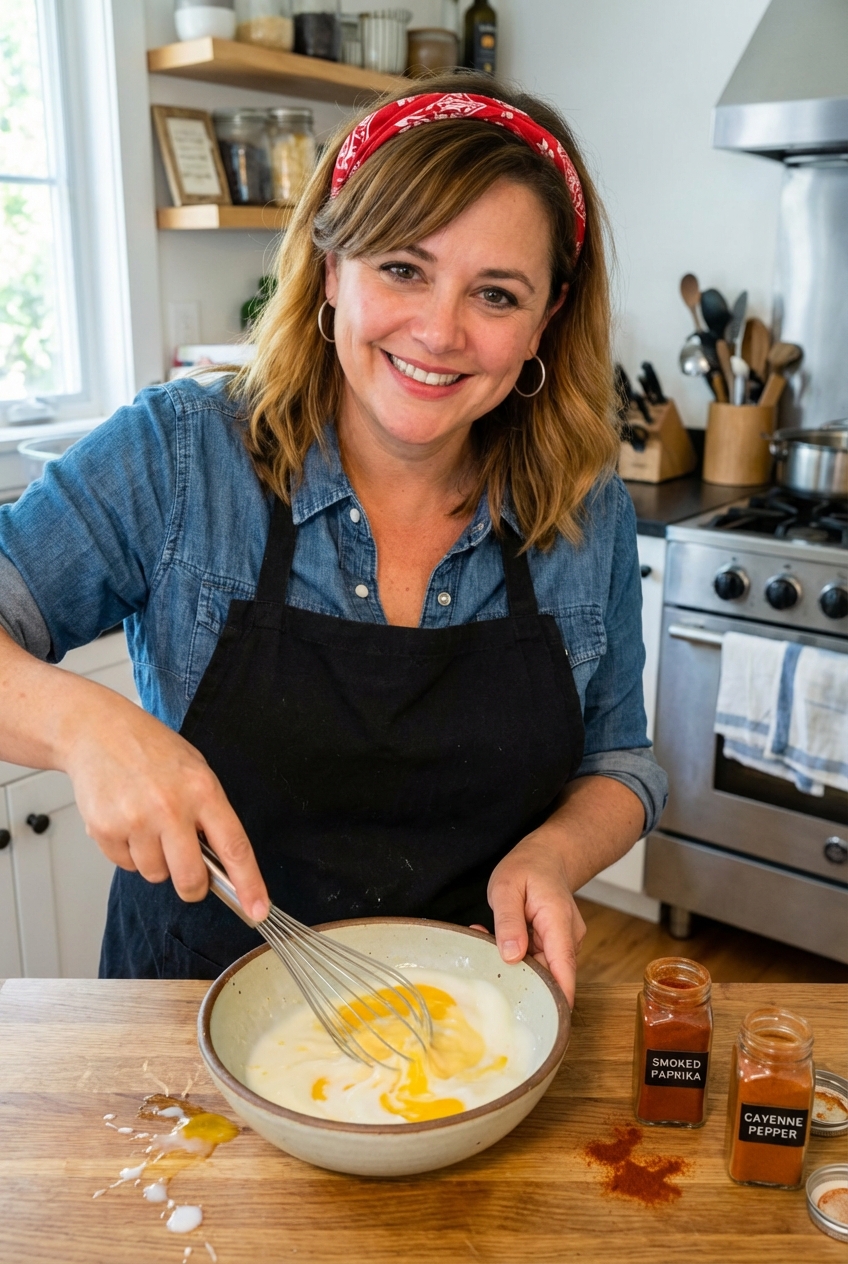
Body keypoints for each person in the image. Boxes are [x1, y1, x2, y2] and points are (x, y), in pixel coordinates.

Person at [0, 73, 666, 1006]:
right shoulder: (181, 457)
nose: (439, 332)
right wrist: (82, 723)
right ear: (329, 268)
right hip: (184, 1021)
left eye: (497, 294)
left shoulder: (585, 510)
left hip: (460, 1022)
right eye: (403, 268)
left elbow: (619, 763)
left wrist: (554, 854)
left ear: (545, 321)